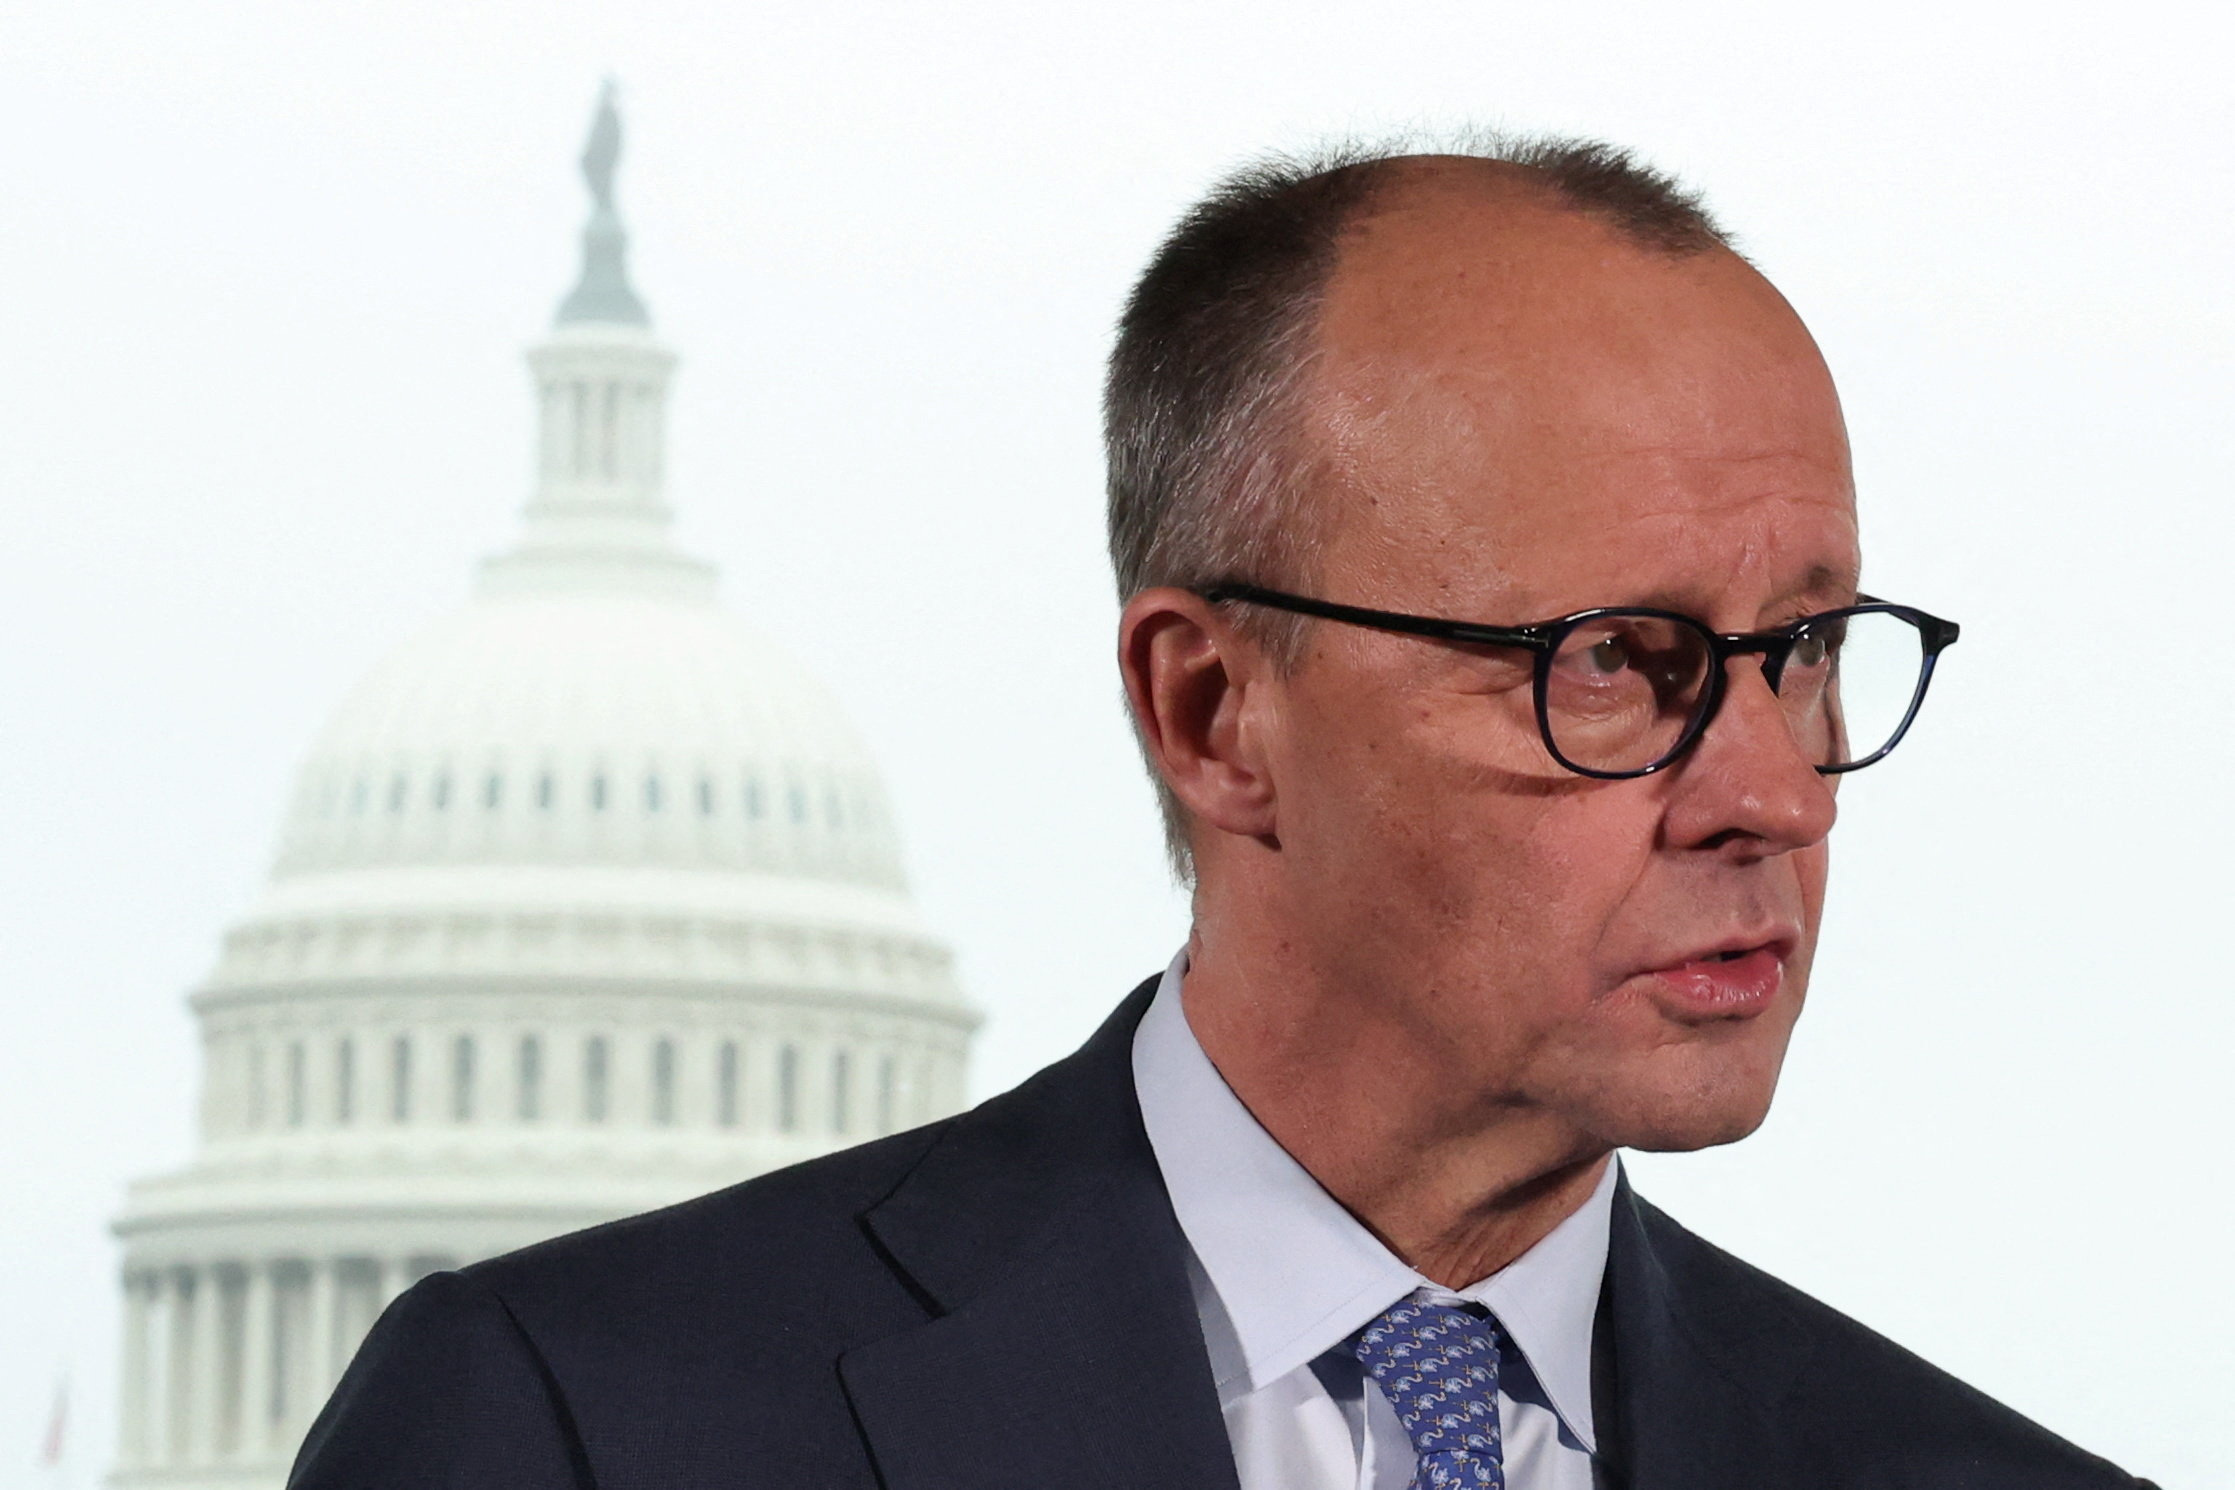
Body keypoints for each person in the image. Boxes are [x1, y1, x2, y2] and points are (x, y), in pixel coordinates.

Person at [291, 139, 2153, 1489]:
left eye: (1808, 647)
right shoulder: (573, 1431)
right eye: (1618, 660)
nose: (1769, 794)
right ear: (1212, 711)